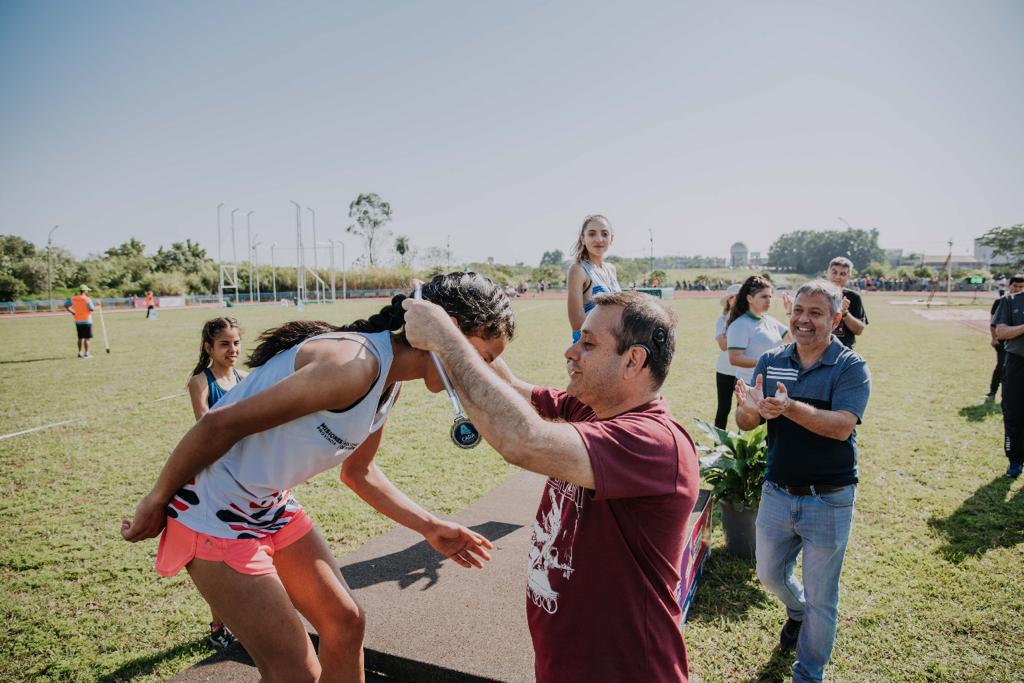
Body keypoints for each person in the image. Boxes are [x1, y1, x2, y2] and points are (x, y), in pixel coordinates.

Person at [121, 272, 513, 682]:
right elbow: (218, 425)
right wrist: (156, 498)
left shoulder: (388, 381)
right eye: (480, 357)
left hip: (268, 504)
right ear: (440, 330)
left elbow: (360, 474)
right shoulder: (353, 366)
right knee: (296, 672)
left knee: (346, 623)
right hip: (211, 511)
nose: (478, 373)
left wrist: (430, 526)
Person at [402, 290, 699, 682]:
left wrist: (445, 338)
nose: (570, 352)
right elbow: (503, 383)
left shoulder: (655, 443)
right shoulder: (591, 409)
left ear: (633, 360)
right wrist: (465, 323)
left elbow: (522, 439)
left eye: (588, 343)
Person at [734, 280, 871, 683]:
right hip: (777, 492)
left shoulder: (850, 367)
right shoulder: (772, 359)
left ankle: (808, 675)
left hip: (829, 499)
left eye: (815, 313)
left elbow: (842, 427)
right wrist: (748, 410)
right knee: (769, 575)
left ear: (836, 319)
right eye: (797, 311)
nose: (803, 320)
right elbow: (747, 423)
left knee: (823, 600)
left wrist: (790, 407)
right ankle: (796, 609)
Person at [186, 317, 249, 649]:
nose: (233, 349)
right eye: (225, 344)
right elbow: (205, 428)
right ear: (209, 347)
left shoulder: (246, 378)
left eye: (236, 343)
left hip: (246, 478)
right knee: (220, 556)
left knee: (247, 551)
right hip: (214, 480)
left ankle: (246, 620)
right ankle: (218, 628)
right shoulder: (200, 382)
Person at [727, 275, 791, 386]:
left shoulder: (771, 321)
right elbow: (734, 358)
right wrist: (765, 363)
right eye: (764, 297)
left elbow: (792, 340)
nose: (768, 300)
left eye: (770, 296)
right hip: (749, 384)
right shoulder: (740, 324)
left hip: (772, 384)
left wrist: (790, 313)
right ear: (749, 298)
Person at [566, 214, 621, 342]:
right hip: (589, 350)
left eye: (605, 234)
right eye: (591, 234)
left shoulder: (611, 269)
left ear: (611, 239)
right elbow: (577, 324)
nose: (599, 239)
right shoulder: (578, 270)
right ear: (583, 239)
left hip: (613, 347)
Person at [993, 274, 1024, 478]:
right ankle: (1015, 460)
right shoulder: (1009, 301)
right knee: (1013, 412)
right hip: (1017, 363)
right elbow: (1001, 332)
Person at [986, 281, 1024, 402]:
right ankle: (993, 392)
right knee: (1001, 367)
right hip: (1005, 345)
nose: (1018, 288)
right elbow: (994, 324)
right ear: (1010, 286)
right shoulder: (1003, 301)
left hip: (1016, 344)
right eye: (1015, 286)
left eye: (1021, 286)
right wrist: (993, 338)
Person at [714, 283, 742, 429]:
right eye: (734, 297)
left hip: (744, 372)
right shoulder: (721, 320)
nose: (738, 300)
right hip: (725, 370)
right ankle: (717, 445)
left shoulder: (749, 320)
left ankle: (744, 449)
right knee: (723, 408)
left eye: (741, 297)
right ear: (729, 300)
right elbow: (723, 345)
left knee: (743, 411)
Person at [825, 257, 867, 348]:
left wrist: (845, 313)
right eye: (834, 272)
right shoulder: (816, 295)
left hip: (844, 354)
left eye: (843, 274)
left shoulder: (854, 297)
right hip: (818, 352)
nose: (837, 277)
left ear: (849, 276)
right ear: (827, 273)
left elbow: (859, 330)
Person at [64, 284, 97, 358]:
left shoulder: (73, 298)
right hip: (87, 320)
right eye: (87, 290)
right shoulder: (87, 299)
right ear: (85, 291)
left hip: (78, 320)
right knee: (87, 338)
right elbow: (91, 309)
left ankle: (80, 353)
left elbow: (66, 305)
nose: (88, 291)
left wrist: (72, 312)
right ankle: (87, 353)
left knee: (80, 338)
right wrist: (98, 305)